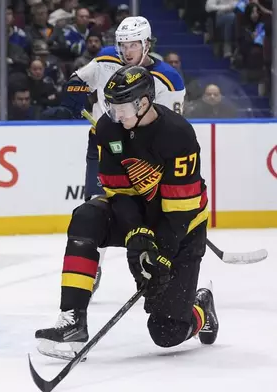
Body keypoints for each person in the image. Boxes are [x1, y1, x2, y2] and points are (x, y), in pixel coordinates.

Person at [35, 66, 218, 360]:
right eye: (111, 106)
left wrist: (160, 256)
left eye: (120, 107)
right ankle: (73, 320)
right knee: (86, 216)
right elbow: (119, 192)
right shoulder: (108, 128)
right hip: (141, 214)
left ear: (143, 103)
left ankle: (201, 308)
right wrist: (135, 233)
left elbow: (180, 211)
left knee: (166, 333)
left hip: (182, 226)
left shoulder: (178, 134)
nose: (114, 114)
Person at [59, 16, 186, 296]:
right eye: (123, 45)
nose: (127, 51)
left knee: (157, 213)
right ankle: (92, 268)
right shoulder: (105, 60)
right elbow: (78, 80)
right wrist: (74, 94)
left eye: (133, 45)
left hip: (148, 156)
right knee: (96, 205)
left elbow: (173, 130)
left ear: (147, 44)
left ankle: (170, 268)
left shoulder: (168, 79)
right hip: (105, 145)